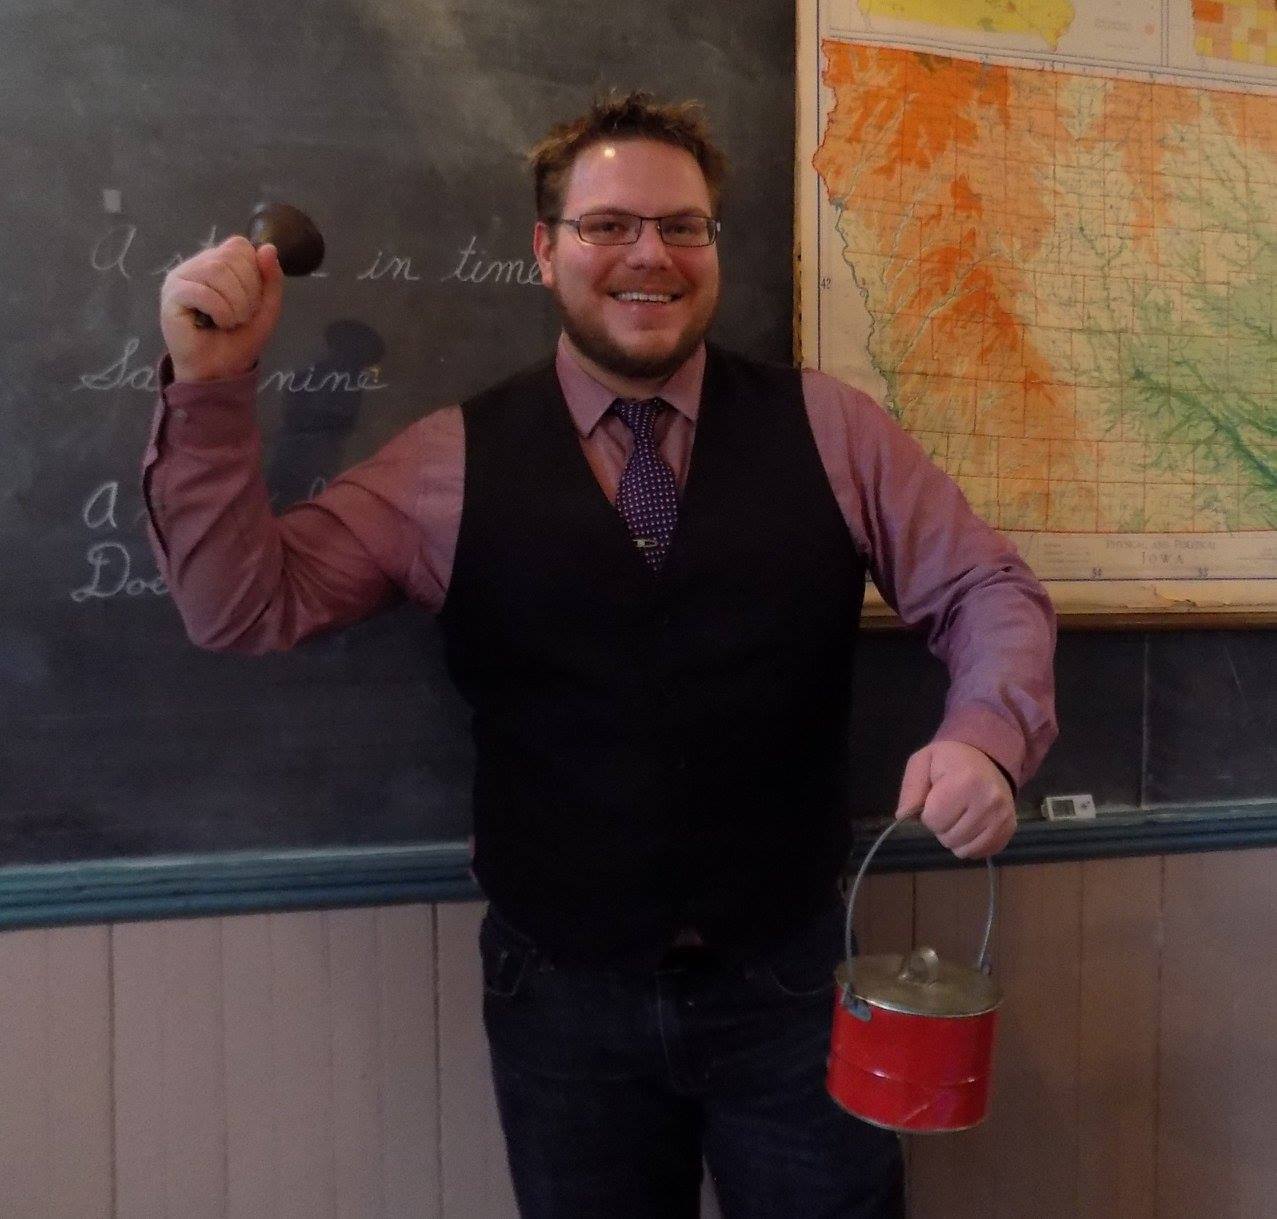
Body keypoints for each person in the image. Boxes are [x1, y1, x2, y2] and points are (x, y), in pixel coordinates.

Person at [145, 92, 1056, 1219]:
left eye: (683, 227)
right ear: (544, 249)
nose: (650, 256)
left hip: (790, 979)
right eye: (608, 225)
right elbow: (243, 606)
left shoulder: (832, 429)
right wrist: (211, 387)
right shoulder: (447, 461)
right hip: (559, 1000)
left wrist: (987, 738)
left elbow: (985, 589)